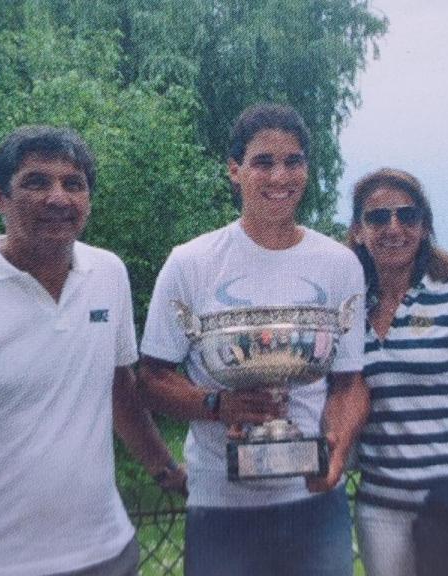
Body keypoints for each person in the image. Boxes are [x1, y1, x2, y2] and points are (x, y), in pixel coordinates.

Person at [0, 126, 185, 576]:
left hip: (110, 553)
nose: (58, 198)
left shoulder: (108, 274)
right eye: (36, 181)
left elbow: (119, 389)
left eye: (74, 183)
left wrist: (166, 471)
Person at [138, 103, 368, 576]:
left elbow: (349, 382)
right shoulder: (191, 262)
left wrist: (337, 453)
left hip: (313, 503)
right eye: (263, 161)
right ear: (234, 170)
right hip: (222, 504)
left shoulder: (339, 264)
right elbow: (151, 378)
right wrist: (217, 406)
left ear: (307, 169)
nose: (280, 176)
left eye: (293, 161)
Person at [347, 168, 448, 576]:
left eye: (406, 216)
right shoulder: (350, 313)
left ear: (424, 226)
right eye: (377, 217)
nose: (393, 227)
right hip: (380, 509)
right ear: (359, 231)